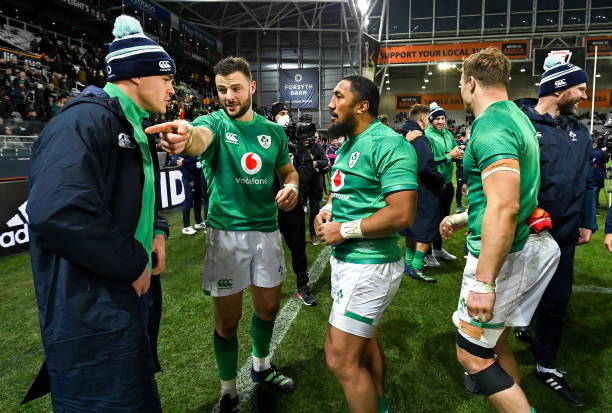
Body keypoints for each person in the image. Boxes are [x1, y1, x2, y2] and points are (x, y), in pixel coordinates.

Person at [25, 15, 173, 411]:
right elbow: (58, 208)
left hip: (118, 295)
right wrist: (132, 263)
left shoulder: (128, 122)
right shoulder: (84, 120)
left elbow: (142, 195)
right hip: (91, 305)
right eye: (167, 78)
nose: (172, 89)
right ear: (139, 76)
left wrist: (157, 231)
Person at [146, 56, 299, 413]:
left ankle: (261, 367)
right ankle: (228, 388)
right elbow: (199, 138)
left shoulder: (273, 131)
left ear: (251, 87)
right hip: (227, 236)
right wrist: (185, 137)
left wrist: (291, 186)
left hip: (267, 233)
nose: (228, 96)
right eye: (221, 89)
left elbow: (288, 171)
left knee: (269, 308)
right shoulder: (211, 122)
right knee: (227, 323)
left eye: (235, 88)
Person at [447, 47, 560, 413]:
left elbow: (505, 204)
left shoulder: (492, 125)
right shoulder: (517, 116)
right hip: (520, 244)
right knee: (498, 344)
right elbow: (507, 194)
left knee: (472, 355)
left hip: (503, 254)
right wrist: (463, 218)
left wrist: (484, 282)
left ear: (471, 82)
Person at [315, 75, 418, 413]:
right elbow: (349, 193)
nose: (331, 104)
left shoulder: (390, 144)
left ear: (361, 106)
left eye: (338, 96)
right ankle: (381, 403)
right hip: (349, 262)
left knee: (339, 360)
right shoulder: (347, 144)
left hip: (369, 265)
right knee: (368, 342)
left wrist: (344, 231)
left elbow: (402, 214)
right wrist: (328, 210)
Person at [518, 55, 598, 406]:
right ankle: (482, 361)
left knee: (556, 304)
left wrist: (587, 220)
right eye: (580, 88)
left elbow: (587, 181)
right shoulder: (519, 123)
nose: (584, 95)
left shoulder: (579, 132)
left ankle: (547, 365)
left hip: (564, 236)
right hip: (523, 236)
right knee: (505, 302)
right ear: (559, 87)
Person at [270, 101, 318, 306]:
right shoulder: (265, 139)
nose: (285, 116)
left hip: (293, 204)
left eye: (287, 113)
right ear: (273, 117)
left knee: (298, 247)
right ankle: (269, 287)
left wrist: (295, 188)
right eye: (281, 113)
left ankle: (302, 286)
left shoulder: (297, 142)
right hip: (270, 206)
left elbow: (307, 166)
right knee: (269, 250)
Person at [400, 103, 445, 283]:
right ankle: (417, 266)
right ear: (422, 119)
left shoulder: (404, 135)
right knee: (427, 230)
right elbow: (426, 166)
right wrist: (440, 180)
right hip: (424, 190)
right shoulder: (419, 137)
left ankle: (409, 263)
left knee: (412, 228)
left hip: (407, 189)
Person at [424, 102, 463, 267]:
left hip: (447, 183)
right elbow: (428, 162)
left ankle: (438, 249)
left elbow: (455, 153)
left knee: (444, 218)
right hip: (432, 184)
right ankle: (426, 254)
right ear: (431, 119)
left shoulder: (448, 134)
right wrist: (449, 156)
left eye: (443, 118)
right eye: (437, 118)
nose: (441, 121)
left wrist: (460, 153)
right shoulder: (426, 136)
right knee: (430, 220)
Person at [175, 154, 206, 235]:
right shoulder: (181, 148)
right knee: (188, 200)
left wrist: (187, 161)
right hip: (189, 178)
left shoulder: (194, 147)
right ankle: (186, 226)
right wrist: (190, 179)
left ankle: (198, 222)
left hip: (198, 177)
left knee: (198, 199)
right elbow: (179, 164)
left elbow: (198, 157)